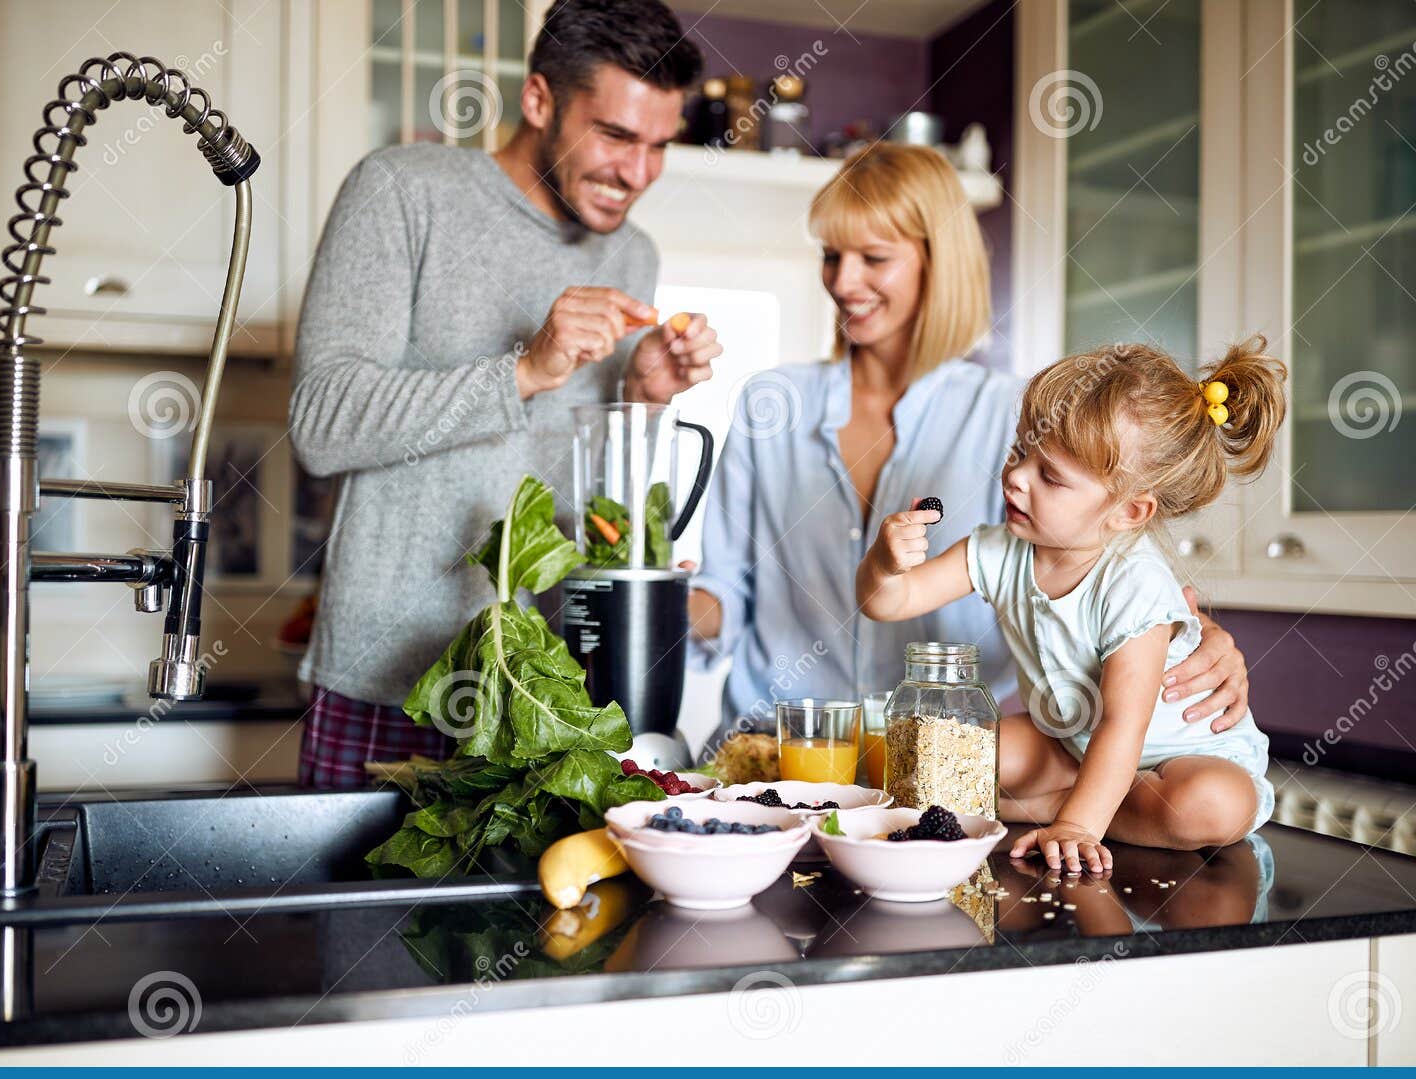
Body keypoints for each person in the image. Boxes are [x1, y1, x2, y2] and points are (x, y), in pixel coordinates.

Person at [688, 142, 1255, 751]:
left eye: (874, 258)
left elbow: (1100, 566)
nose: (842, 281)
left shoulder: (1022, 419)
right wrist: (636, 600)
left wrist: (1196, 636)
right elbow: (723, 591)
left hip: (934, 756)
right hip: (773, 748)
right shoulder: (770, 403)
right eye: (831, 255)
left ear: (940, 263)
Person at [289, 0, 720, 787]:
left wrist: (643, 398)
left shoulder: (632, 253)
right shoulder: (400, 190)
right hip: (392, 682)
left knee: (556, 916)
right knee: (364, 915)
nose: (638, 173)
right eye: (617, 136)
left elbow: (597, 506)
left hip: (554, 694)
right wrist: (525, 371)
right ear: (538, 100)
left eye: (660, 145)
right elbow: (322, 423)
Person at [857, 338, 1286, 872]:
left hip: (1181, 757)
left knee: (1212, 804)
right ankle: (1071, 801)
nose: (1016, 476)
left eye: (1051, 476)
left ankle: (1069, 809)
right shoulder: (998, 549)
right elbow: (889, 602)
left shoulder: (1135, 581)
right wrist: (885, 560)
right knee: (954, 749)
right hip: (1070, 745)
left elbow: (1121, 726)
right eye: (1019, 451)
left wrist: (1078, 829)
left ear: (1130, 511)